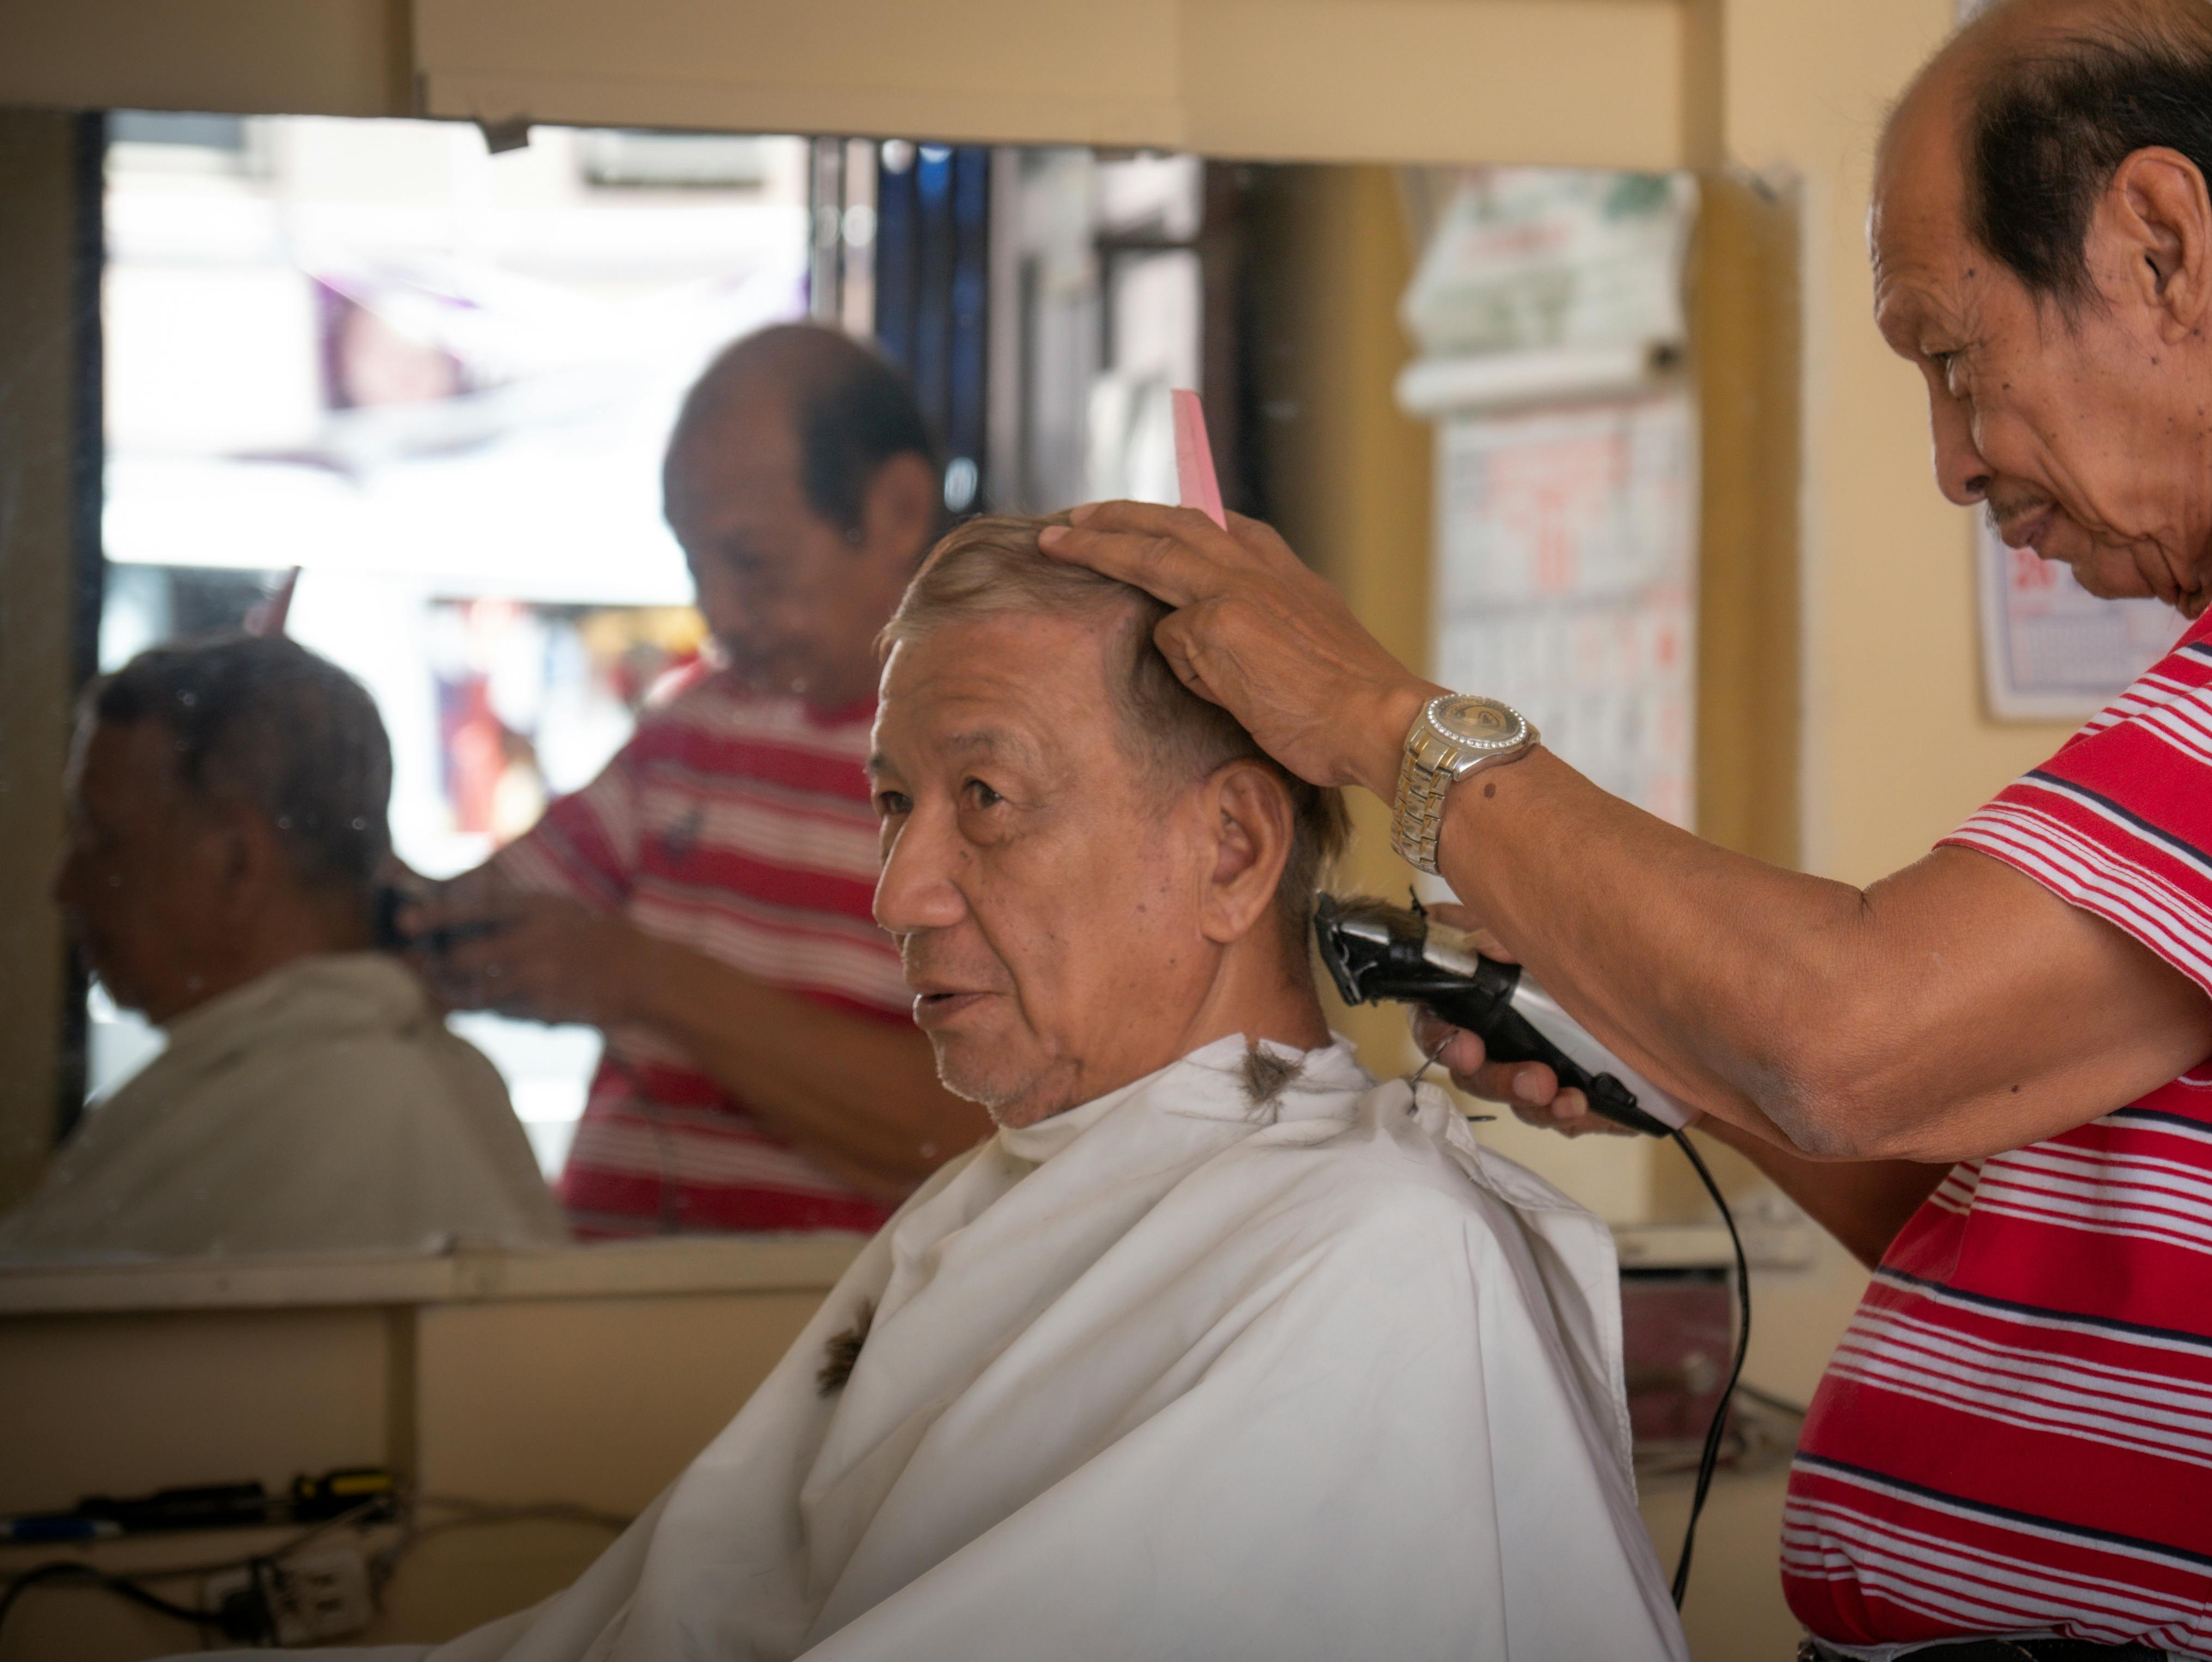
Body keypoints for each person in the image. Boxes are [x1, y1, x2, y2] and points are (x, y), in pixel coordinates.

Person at [1038, 0, 2212, 1662]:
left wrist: (1391, 723)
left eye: (1954, 356)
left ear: (2157, 243)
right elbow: (2000, 1218)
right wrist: (1672, 1049)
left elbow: (1849, 1034)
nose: (1953, 461)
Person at [300, 519, 1685, 1661]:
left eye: (988, 798)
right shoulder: (1018, 1188)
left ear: (1230, 851)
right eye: (895, 802)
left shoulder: (1373, 1262)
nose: (895, 891)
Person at [422, 325, 988, 1236]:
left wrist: (643, 979)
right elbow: (468, 930)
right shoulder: (691, 735)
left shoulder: (999, 773)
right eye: (696, 565)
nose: (716, 612)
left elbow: (976, 1130)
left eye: (752, 562)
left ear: (895, 510)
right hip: (588, 1328)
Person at [3, 635, 563, 1259]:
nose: (65, 886)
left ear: (237, 862)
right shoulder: (432, 1088)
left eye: (102, 840)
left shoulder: (321, 1114)